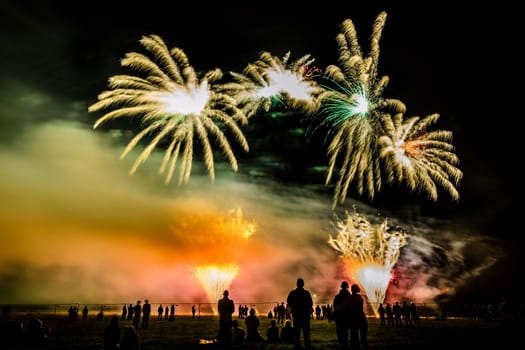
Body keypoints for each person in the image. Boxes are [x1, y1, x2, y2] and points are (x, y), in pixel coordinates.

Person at [287, 277, 313, 350]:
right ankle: (307, 346)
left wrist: (294, 308)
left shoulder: (292, 293)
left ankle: (297, 346)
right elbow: (310, 303)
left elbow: (289, 301)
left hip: (296, 316)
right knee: (306, 334)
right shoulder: (306, 293)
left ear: (297, 284)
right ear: (303, 284)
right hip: (305, 316)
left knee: (297, 333)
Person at [349, 284, 368, 350]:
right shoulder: (360, 297)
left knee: (354, 336)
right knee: (363, 337)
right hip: (362, 318)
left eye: (352, 289)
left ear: (352, 290)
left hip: (354, 318)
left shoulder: (351, 298)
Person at [333, 281, 351, 350]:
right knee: (345, 331)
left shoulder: (337, 297)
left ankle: (341, 344)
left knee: (339, 331)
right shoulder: (349, 296)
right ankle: (345, 344)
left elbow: (335, 306)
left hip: (339, 317)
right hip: (347, 317)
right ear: (347, 287)